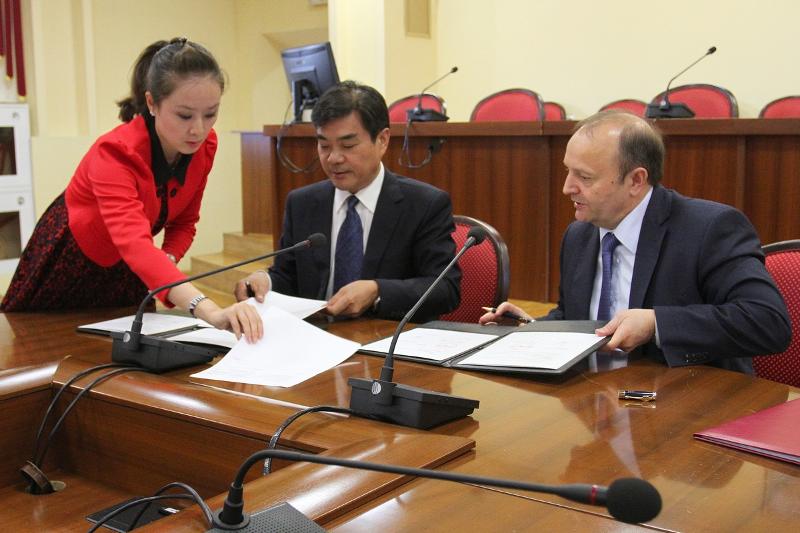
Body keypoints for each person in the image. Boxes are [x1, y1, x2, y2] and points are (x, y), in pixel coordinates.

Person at [480, 110, 790, 373]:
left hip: (686, 405)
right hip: (595, 403)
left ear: (636, 180)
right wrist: (533, 327)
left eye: (584, 177)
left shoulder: (709, 228)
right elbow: (577, 317)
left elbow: (768, 322)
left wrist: (657, 323)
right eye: (567, 172)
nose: (567, 188)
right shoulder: (579, 235)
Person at [1, 38, 262, 342]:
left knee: (125, 347)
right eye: (184, 115)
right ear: (151, 103)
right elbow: (135, 244)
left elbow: (184, 221)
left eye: (211, 113)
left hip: (132, 263)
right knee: (41, 344)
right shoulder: (115, 152)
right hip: (72, 260)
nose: (199, 129)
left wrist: (167, 261)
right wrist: (210, 310)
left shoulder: (204, 147)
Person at [235, 81, 460, 322]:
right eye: (324, 145)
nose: (333, 158)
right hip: (315, 336)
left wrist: (378, 291)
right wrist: (265, 282)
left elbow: (446, 289)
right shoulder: (302, 203)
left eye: (348, 145)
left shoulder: (424, 204)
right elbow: (288, 276)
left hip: (388, 338)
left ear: (382, 140)